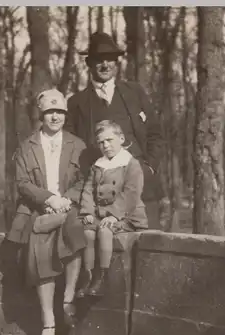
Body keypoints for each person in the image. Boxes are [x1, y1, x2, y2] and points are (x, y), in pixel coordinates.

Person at [6, 88, 88, 335]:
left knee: (74, 229)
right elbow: (22, 183)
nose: (55, 117)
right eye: (50, 112)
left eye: (60, 112)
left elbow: (85, 179)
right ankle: (48, 322)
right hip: (39, 209)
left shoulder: (78, 145)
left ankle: (67, 299)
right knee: (40, 244)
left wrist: (66, 199)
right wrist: (49, 200)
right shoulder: (27, 146)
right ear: (41, 115)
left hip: (69, 207)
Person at [65, 31, 165, 230]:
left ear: (117, 62)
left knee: (147, 245)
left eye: (110, 59)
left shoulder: (135, 92)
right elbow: (71, 147)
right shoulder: (76, 103)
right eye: (99, 60)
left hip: (141, 187)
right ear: (88, 63)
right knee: (106, 248)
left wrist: (149, 166)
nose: (105, 65)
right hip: (100, 193)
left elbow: (155, 133)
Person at [76, 119, 148, 297]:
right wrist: (88, 212)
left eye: (109, 140)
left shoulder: (131, 164)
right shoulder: (98, 165)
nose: (105, 145)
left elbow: (131, 193)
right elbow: (88, 189)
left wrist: (115, 215)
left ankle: (103, 277)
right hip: (101, 214)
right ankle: (88, 275)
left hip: (127, 215)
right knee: (87, 232)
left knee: (105, 230)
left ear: (121, 139)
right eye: (101, 142)